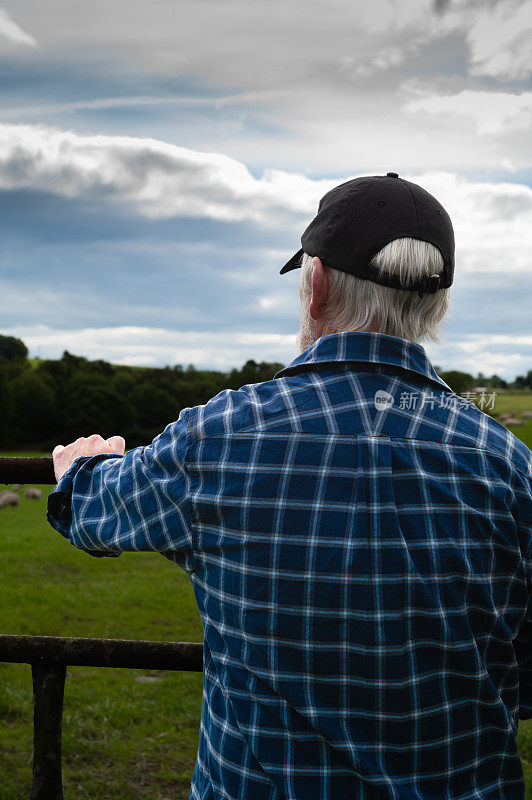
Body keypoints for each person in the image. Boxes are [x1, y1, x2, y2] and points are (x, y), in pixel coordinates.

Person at [47, 172, 532, 800]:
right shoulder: (506, 462)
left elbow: (90, 513)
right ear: (436, 308)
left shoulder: (220, 437)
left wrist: (82, 468)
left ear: (317, 285)